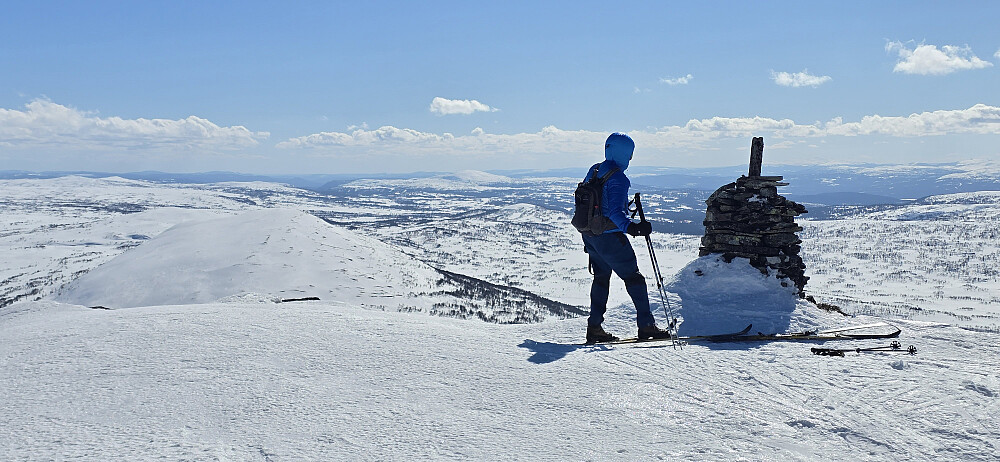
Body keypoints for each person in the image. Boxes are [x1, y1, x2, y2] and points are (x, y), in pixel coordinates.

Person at [580, 133, 671, 344]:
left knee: (601, 278)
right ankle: (646, 325)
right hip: (610, 238)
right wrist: (633, 228)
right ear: (625, 153)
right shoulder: (618, 177)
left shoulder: (594, 169)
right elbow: (614, 213)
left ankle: (594, 328)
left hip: (591, 236)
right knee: (634, 279)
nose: (630, 159)